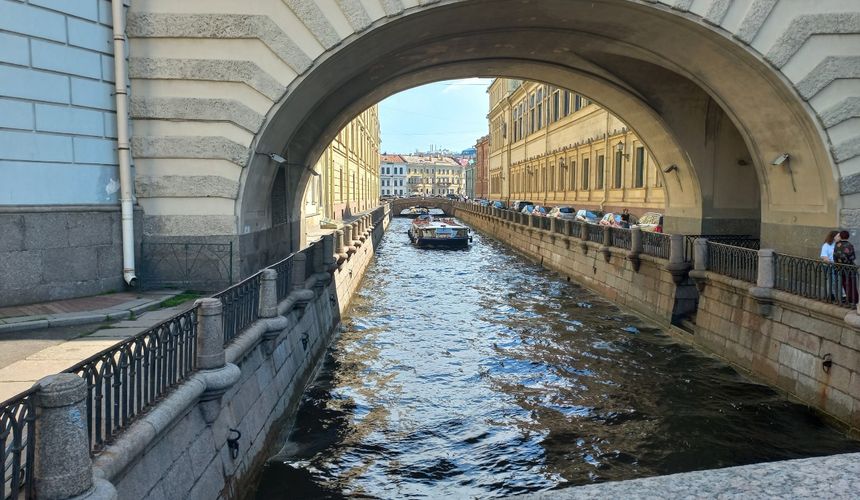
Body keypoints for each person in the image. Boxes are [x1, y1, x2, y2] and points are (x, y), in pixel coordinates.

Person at [833, 230, 858, 304]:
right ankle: (854, 299)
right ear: (848, 237)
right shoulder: (849, 245)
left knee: (844, 283)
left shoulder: (837, 245)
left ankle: (848, 298)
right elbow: (853, 257)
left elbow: (834, 256)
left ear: (840, 236)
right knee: (851, 283)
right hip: (849, 268)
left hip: (840, 268)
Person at [820, 230, 839, 300]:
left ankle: (837, 295)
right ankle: (830, 295)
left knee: (836, 281)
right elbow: (824, 257)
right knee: (831, 280)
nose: (840, 237)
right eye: (838, 236)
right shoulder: (826, 245)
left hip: (838, 266)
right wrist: (832, 262)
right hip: (829, 266)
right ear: (833, 237)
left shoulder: (839, 244)